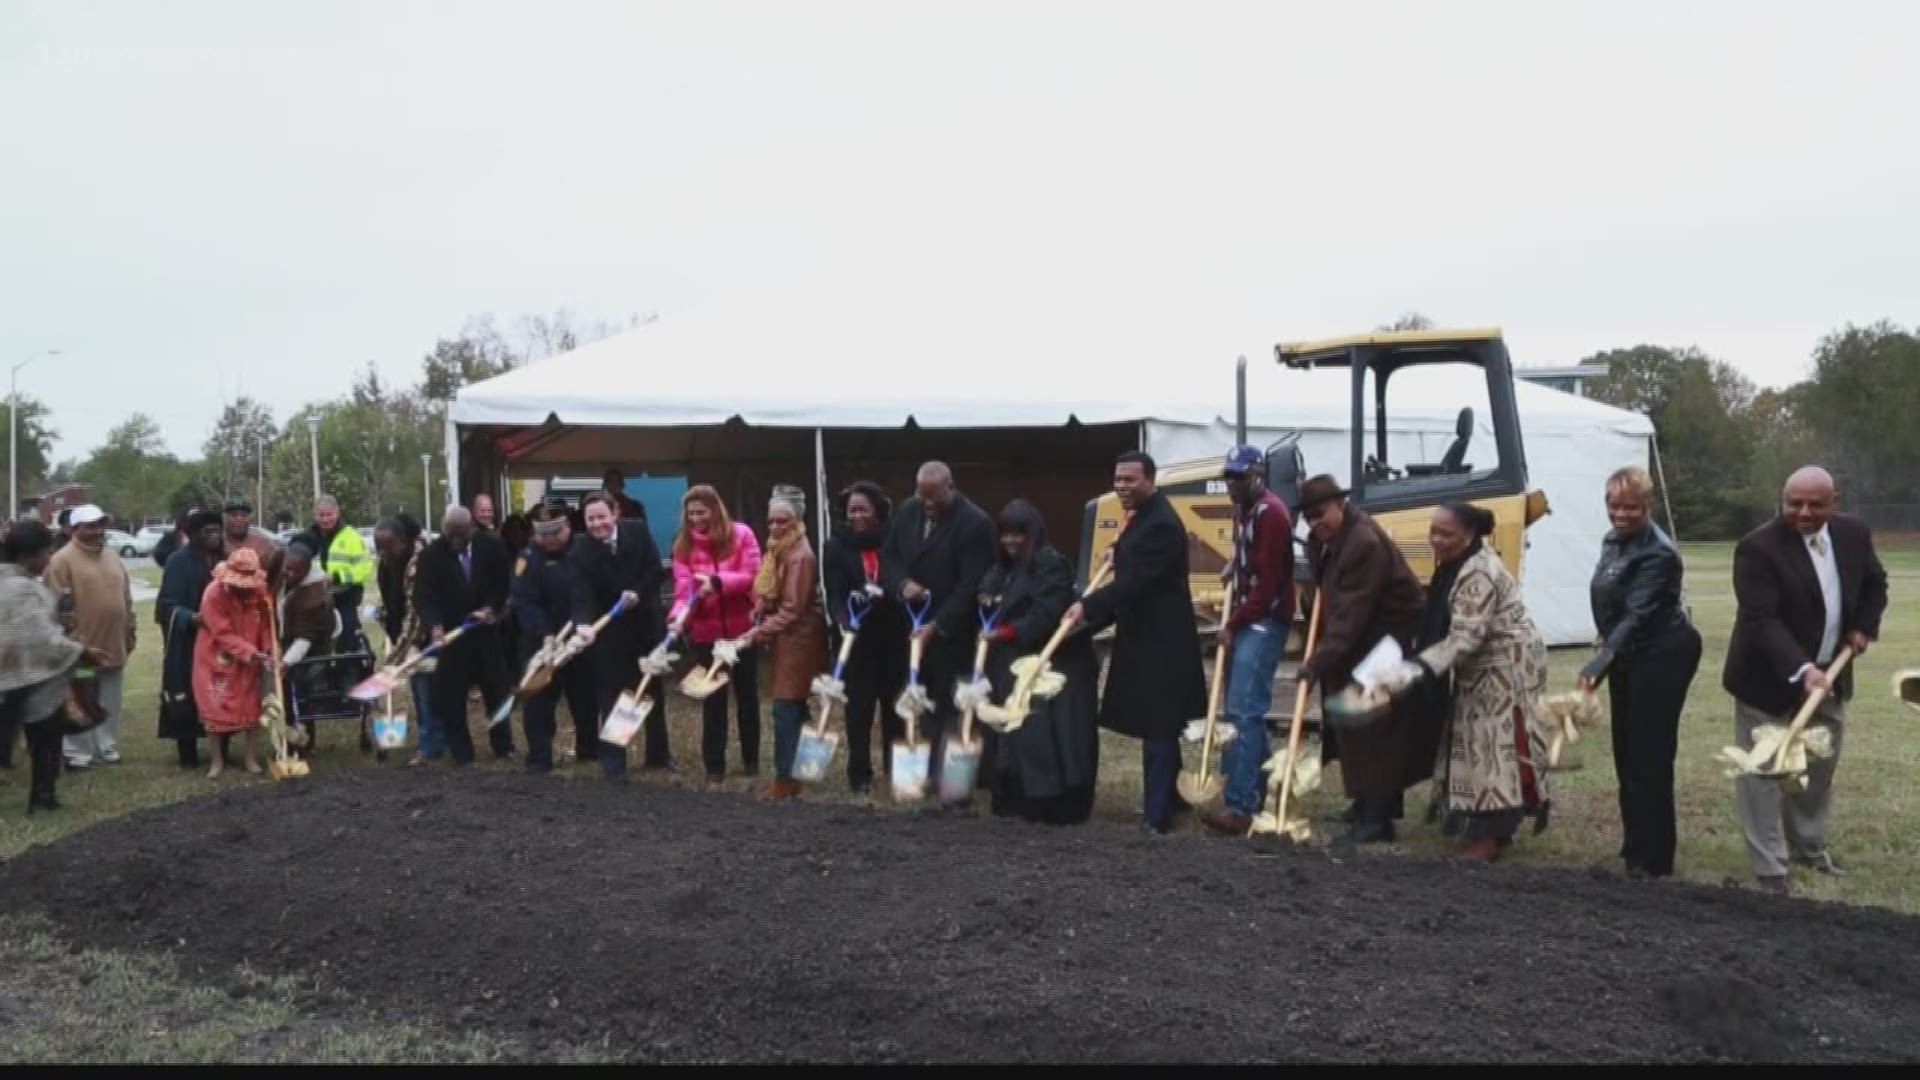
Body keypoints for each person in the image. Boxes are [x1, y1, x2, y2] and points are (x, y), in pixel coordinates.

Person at [1722, 466, 1888, 896]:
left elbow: (1875, 583)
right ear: (1783, 500)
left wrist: (1862, 627)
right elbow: (1762, 620)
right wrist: (1803, 670)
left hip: (1831, 673)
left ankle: (1809, 848)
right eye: (1794, 503)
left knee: (1817, 768)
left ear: (1835, 500)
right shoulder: (1757, 548)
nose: (1804, 512)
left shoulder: (1853, 534)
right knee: (1764, 769)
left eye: (1816, 504)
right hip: (1768, 677)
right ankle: (1770, 866)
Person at [1384, 502, 1552, 863]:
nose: (1436, 540)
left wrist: (1418, 668)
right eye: (1434, 531)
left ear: (1470, 534)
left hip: (1507, 665)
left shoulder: (1479, 573)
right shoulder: (1454, 564)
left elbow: (1466, 637)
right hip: (1482, 663)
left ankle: (1489, 836)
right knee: (1472, 741)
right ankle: (1483, 825)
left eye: (1446, 534)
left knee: (1493, 746)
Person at [1066, 452, 1208, 835]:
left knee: (1159, 724)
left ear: (1150, 480)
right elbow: (1132, 566)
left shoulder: (1160, 523)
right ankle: (1172, 799)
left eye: (1130, 479)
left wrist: (1086, 607)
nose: (1122, 486)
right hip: (1146, 633)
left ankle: (1156, 814)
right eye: (1117, 479)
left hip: (1163, 640)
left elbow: (1133, 584)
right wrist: (1119, 552)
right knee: (1160, 721)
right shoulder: (1143, 518)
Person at [1291, 475, 1432, 846]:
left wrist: (1316, 662)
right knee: (1350, 724)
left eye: (1320, 514)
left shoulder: (1363, 543)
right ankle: (1366, 803)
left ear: (1341, 505)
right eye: (1308, 517)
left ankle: (1378, 820)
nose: (1315, 523)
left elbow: (1350, 613)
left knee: (1375, 730)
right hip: (1359, 639)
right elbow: (1329, 601)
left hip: (1388, 641)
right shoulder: (1324, 542)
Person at [1576, 466, 1701, 880]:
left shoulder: (1659, 553)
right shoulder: (1613, 541)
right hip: (1628, 653)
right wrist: (1608, 651)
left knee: (1649, 756)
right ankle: (1634, 846)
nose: (1621, 514)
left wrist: (1599, 662)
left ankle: (1653, 860)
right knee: (1625, 753)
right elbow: (1610, 607)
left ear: (1647, 505)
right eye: (1614, 506)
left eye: (1631, 507)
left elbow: (1637, 614)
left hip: (1662, 653)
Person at [980, 499, 1100, 825]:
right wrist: (988, 602)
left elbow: (1046, 615)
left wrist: (1006, 632)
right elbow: (988, 593)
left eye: (1019, 534)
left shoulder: (1051, 565)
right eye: (1005, 534)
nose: (1011, 541)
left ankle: (1049, 804)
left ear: (1032, 534)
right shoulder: (1001, 568)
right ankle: (1014, 798)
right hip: (1015, 662)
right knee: (1014, 732)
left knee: (1043, 738)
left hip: (1052, 666)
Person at [882, 461, 997, 800]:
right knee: (918, 700)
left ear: (951, 486)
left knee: (952, 707)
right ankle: (920, 777)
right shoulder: (907, 511)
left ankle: (954, 782)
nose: (928, 504)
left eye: (934, 496)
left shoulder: (975, 524)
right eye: (922, 496)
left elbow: (971, 584)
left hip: (952, 634)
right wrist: (902, 584)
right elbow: (889, 556)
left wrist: (938, 624)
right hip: (911, 626)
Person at [1201, 445, 1299, 837]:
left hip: (1263, 619)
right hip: (1249, 616)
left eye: (1238, 476)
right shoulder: (1244, 509)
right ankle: (1254, 792)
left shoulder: (1272, 514)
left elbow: (1269, 583)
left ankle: (1241, 807)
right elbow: (1253, 557)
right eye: (1228, 475)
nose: (1231, 483)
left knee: (1244, 713)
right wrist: (1233, 565)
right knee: (1240, 713)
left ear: (1258, 475)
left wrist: (1233, 623)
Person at [571, 491, 672, 780]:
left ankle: (658, 755)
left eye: (601, 516)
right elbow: (581, 593)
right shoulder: (581, 550)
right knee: (611, 696)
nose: (596, 524)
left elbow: (655, 571)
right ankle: (614, 762)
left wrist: (637, 595)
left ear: (615, 514)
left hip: (644, 626)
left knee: (651, 691)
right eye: (590, 519)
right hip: (609, 635)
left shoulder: (637, 531)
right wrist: (582, 624)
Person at [669, 485, 763, 784]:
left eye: (701, 512)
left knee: (747, 697)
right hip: (706, 632)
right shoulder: (683, 546)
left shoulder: (742, 535)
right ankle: (714, 766)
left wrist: (719, 582)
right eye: (691, 513)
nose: (696, 518)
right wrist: (678, 618)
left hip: (742, 631)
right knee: (712, 700)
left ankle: (751, 761)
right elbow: (684, 589)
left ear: (715, 509)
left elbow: (752, 574)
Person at [821, 481, 909, 794]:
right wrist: (843, 619)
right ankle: (860, 776)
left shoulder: (894, 542)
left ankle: (896, 771)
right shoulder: (835, 546)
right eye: (852, 510)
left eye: (863, 510)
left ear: (878, 512)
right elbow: (833, 594)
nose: (857, 515)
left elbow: (902, 581)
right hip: (856, 641)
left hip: (894, 637)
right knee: (858, 709)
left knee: (894, 708)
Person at [743, 487, 829, 802]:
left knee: (785, 708)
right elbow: (778, 595)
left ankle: (786, 780)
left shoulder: (801, 555)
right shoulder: (780, 548)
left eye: (783, 521)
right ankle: (800, 770)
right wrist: (762, 605)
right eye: (771, 522)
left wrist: (758, 632)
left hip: (800, 640)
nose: (776, 527)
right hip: (789, 637)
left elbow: (793, 609)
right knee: (794, 707)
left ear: (798, 519)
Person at [413, 506, 516, 767]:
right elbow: (425, 597)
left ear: (471, 529)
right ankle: (462, 752)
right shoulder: (431, 556)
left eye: (461, 536)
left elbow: (502, 584)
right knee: (453, 697)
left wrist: (491, 608)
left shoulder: (491, 547)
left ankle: (504, 746)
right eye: (451, 538)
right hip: (452, 636)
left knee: (497, 691)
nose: (456, 543)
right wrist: (434, 625)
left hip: (486, 634)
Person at [0, 522, 87, 813]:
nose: (50, 558)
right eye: (46, 552)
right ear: (28, 555)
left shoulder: (11, 582)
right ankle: (43, 796)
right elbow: (36, 638)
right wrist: (77, 650)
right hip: (28, 680)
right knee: (46, 741)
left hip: (14, 676)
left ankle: (42, 794)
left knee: (16, 740)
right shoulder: (20, 588)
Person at [45, 504, 136, 771]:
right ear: (74, 529)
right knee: (80, 699)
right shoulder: (61, 560)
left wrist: (130, 629)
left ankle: (106, 747)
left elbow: (126, 597)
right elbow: (55, 606)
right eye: (90, 526)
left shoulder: (112, 556)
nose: (97, 531)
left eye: (100, 524)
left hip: (114, 642)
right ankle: (77, 754)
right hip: (81, 650)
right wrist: (71, 644)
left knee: (110, 699)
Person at [510, 504, 599, 772]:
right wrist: (545, 635)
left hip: (579, 637)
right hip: (541, 641)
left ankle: (589, 751)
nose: (548, 539)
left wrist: (582, 623)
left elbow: (592, 590)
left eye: (555, 532)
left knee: (585, 699)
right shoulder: (526, 557)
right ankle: (539, 757)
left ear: (568, 527)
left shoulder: (585, 549)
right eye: (542, 534)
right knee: (538, 702)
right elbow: (523, 600)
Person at [193, 546, 276, 779]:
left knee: (252, 705)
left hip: (252, 656)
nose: (242, 588)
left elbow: (266, 623)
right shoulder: (213, 594)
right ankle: (216, 761)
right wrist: (248, 651)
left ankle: (250, 758)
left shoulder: (261, 591)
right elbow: (221, 632)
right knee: (215, 703)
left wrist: (267, 648)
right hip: (216, 655)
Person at [157, 509, 224, 768]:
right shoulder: (177, 561)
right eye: (208, 531)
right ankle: (188, 752)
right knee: (186, 690)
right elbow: (166, 605)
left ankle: (223, 746)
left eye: (218, 530)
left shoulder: (226, 560)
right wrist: (190, 617)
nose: (215, 536)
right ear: (193, 535)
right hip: (188, 640)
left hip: (219, 640)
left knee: (222, 689)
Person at [375, 514, 444, 767]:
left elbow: (416, 615)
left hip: (426, 636)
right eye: (379, 547)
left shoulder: (420, 564)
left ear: (403, 541)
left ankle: (431, 747)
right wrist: (386, 623)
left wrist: (398, 656)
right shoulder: (387, 561)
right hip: (404, 634)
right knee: (418, 690)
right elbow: (391, 600)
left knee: (427, 691)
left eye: (388, 547)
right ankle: (431, 740)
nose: (383, 553)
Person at [302, 495, 372, 655]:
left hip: (344, 598)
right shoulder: (307, 537)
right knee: (311, 642)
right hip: (313, 601)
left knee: (347, 642)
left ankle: (348, 673)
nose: (325, 519)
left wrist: (337, 577)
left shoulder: (351, 537)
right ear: (314, 515)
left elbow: (365, 568)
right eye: (321, 515)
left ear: (338, 513)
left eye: (329, 515)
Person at [222, 499, 280, 570]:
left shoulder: (262, 543)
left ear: (249, 519)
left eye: (244, 516)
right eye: (234, 515)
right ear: (225, 518)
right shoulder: (218, 542)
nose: (239, 519)